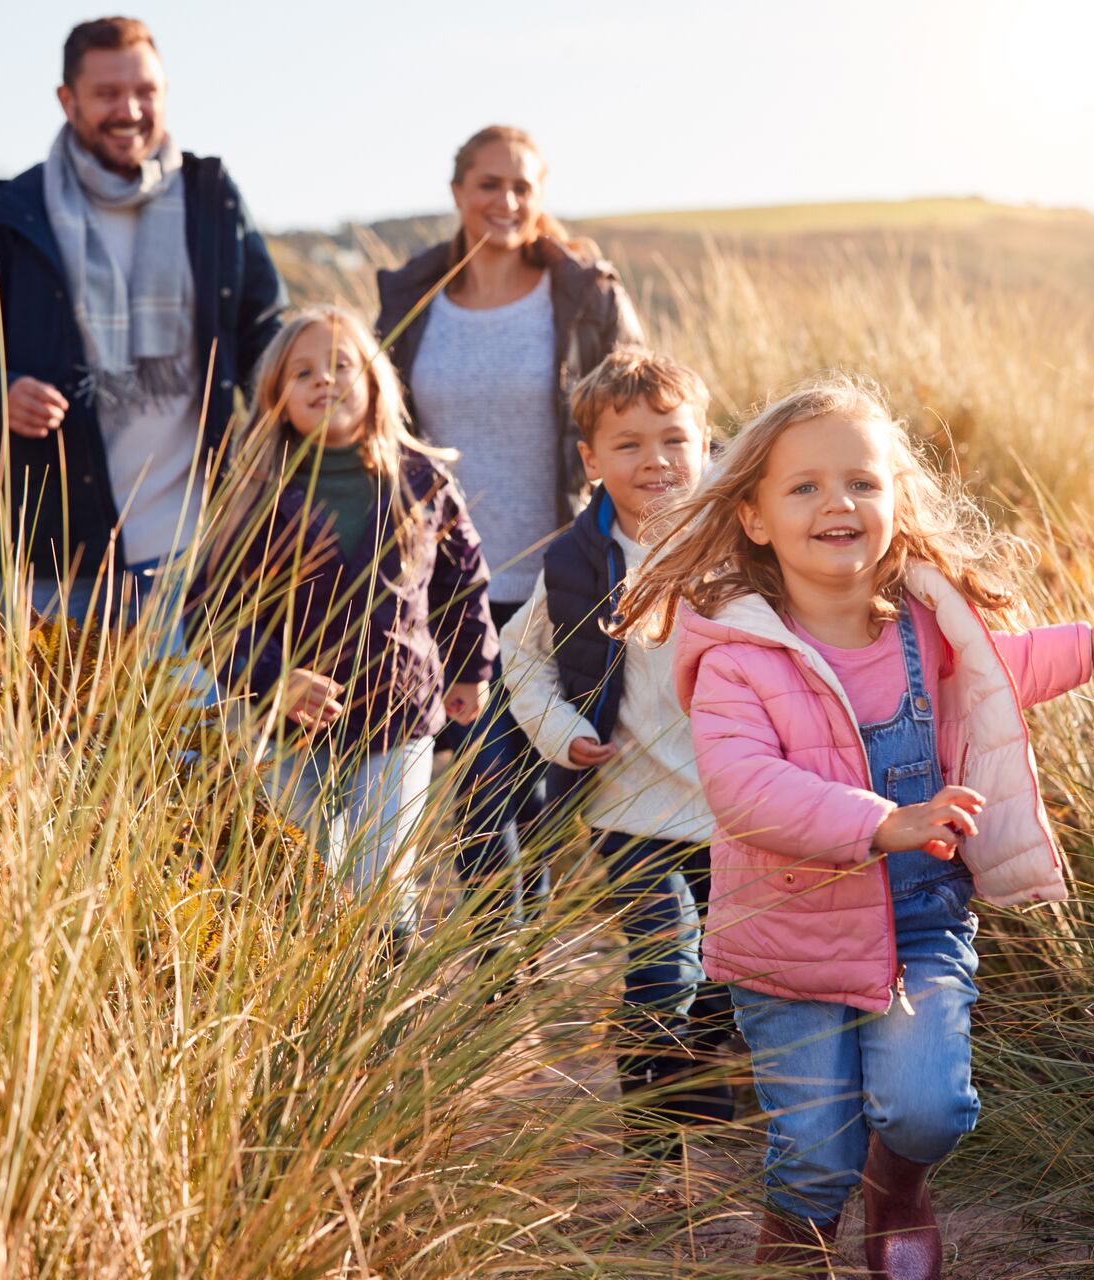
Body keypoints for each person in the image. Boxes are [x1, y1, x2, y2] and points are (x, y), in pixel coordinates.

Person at [616, 375, 1094, 1276]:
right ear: (754, 517)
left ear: (895, 502)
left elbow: (998, 672)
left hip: (919, 923)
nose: (837, 502)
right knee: (813, 1150)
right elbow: (745, 788)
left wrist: (1089, 647)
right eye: (804, 486)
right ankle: (796, 1239)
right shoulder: (735, 657)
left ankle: (899, 1187)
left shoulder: (927, 629)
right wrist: (884, 823)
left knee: (930, 1111)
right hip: (788, 940)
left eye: (862, 483)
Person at [0, 15, 286, 647]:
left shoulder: (213, 198)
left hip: (201, 550)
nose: (130, 110)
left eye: (145, 92)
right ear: (68, 100)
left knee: (194, 743)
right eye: (108, 94)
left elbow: (266, 338)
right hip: (58, 557)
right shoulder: (7, 215)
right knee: (66, 746)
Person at [375, 125, 644, 937]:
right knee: (491, 786)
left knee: (512, 787)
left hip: (555, 582)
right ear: (458, 191)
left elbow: (639, 405)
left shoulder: (582, 295)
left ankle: (508, 976)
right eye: (489, 185)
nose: (507, 202)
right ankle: (504, 976)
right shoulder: (412, 298)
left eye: (523, 187)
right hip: (442, 586)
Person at [184, 305, 494, 949]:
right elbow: (207, 614)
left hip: (397, 714)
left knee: (384, 878)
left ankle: (385, 1019)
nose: (324, 380)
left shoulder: (422, 480)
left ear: (375, 382)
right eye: (303, 372)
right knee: (300, 876)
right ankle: (312, 1025)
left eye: (341, 365)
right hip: (286, 726)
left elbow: (462, 582)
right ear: (277, 397)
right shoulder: (255, 492)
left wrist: (470, 669)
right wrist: (274, 679)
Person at [499, 349, 729, 1163]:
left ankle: (700, 1092)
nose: (655, 460)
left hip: (741, 806)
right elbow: (519, 660)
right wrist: (562, 733)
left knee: (729, 978)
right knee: (665, 965)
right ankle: (657, 1153)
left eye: (674, 438)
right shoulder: (577, 559)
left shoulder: (749, 542)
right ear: (591, 461)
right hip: (630, 806)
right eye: (627, 445)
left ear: (707, 443)